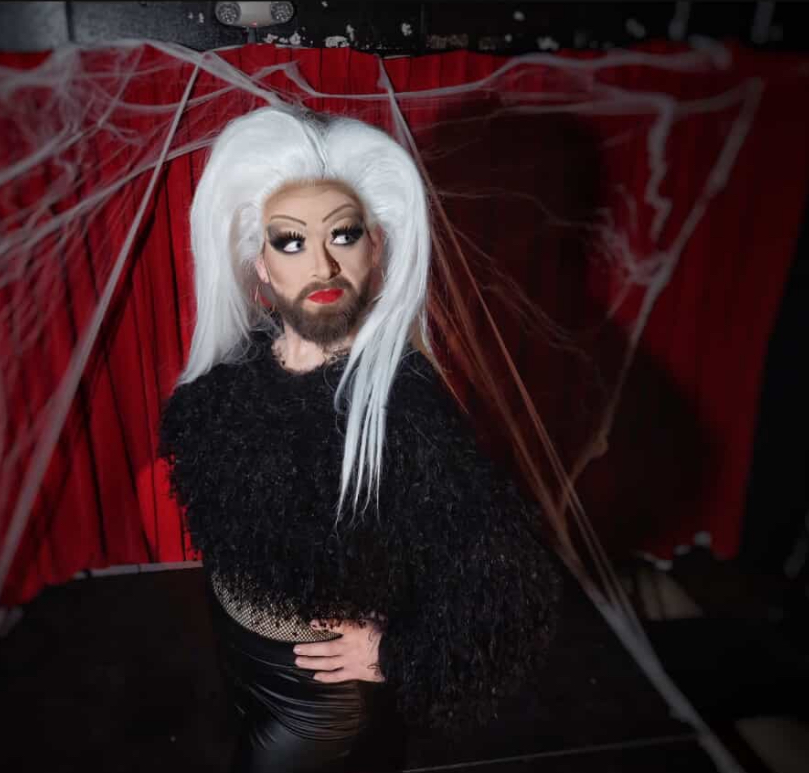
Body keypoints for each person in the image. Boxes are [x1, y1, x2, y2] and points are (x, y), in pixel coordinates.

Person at [158, 106, 559, 773]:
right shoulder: (241, 372)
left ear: (375, 248)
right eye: (291, 242)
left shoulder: (404, 406)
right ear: (261, 266)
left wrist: (395, 651)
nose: (321, 264)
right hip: (242, 660)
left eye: (342, 235)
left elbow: (508, 581)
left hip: (315, 703)